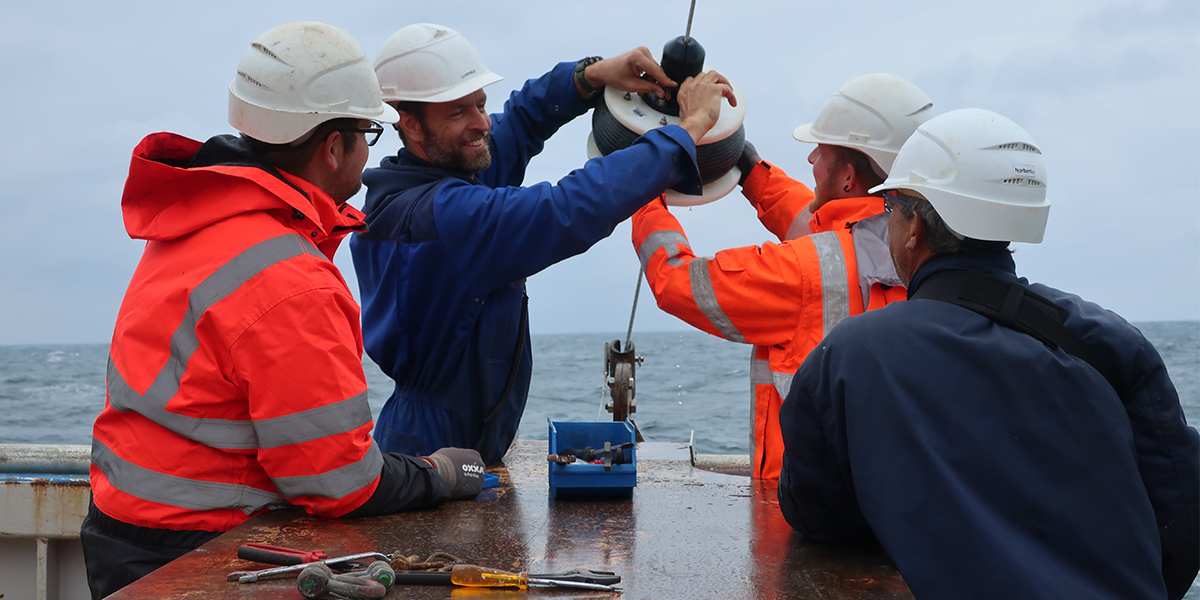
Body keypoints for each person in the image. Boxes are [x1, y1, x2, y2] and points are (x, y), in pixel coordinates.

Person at [83, 22, 486, 599]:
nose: (371, 149)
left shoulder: (196, 224)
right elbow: (336, 482)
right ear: (331, 146)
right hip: (203, 552)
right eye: (368, 131)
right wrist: (440, 474)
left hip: (118, 534)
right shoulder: (290, 282)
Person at [777, 108, 1200, 599]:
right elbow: (1182, 510)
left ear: (914, 227)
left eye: (891, 208)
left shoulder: (849, 354)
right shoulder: (1111, 341)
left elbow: (816, 513)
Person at [350, 23, 736, 464]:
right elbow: (568, 207)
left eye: (481, 104)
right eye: (458, 112)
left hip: (459, 442)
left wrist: (591, 75)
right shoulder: (442, 217)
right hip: (427, 450)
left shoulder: (438, 177)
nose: (481, 123)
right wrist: (685, 131)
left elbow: (520, 121)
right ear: (409, 124)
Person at [632, 74, 933, 478]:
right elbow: (820, 225)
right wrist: (750, 169)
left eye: (820, 151)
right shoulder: (922, 248)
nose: (811, 160)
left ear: (847, 177)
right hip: (892, 499)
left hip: (804, 515)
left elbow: (676, 279)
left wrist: (640, 188)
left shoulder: (804, 271)